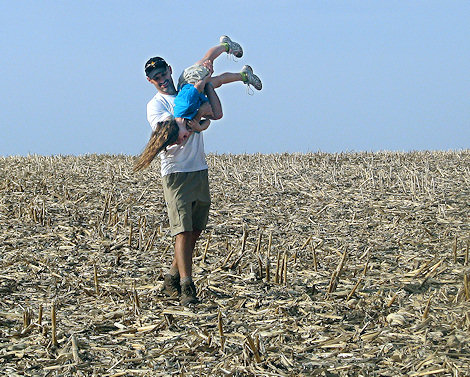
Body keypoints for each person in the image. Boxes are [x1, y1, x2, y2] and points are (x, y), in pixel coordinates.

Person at [135, 36, 260, 306]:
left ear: (170, 70)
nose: (161, 79)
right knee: (181, 230)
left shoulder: (184, 90)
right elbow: (170, 131)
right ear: (150, 81)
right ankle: (186, 286)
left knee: (194, 230)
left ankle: (171, 277)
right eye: (155, 77)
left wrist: (204, 108)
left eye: (162, 73)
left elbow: (211, 109)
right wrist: (197, 121)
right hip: (176, 173)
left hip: (198, 168)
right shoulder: (156, 106)